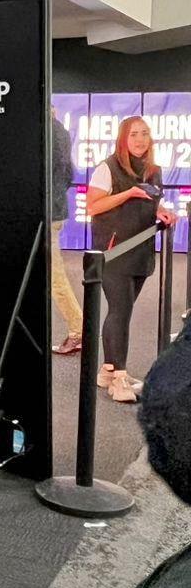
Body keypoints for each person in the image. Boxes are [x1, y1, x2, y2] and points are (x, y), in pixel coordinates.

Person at [86, 116, 174, 402]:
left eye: (144, 133)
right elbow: (93, 206)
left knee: (120, 311)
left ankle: (107, 370)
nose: (140, 139)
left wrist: (161, 212)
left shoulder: (154, 170)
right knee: (120, 311)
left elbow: (152, 202)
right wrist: (127, 194)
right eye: (134, 134)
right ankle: (119, 379)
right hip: (114, 252)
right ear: (123, 138)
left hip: (141, 251)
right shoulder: (107, 167)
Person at [51, 107, 83, 354]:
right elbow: (69, 174)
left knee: (55, 276)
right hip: (56, 210)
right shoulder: (61, 132)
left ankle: (78, 330)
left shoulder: (45, 132)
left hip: (45, 213)